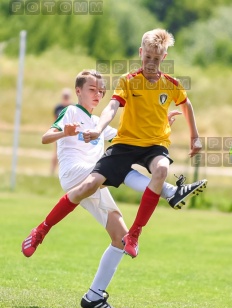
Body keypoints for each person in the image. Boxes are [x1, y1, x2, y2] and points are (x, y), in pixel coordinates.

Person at [34, 69, 204, 308]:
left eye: (101, 90)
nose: (97, 94)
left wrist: (161, 124)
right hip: (74, 174)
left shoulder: (98, 123)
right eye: (92, 89)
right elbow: (45, 137)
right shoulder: (70, 111)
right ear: (78, 91)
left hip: (92, 180)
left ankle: (94, 296)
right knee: (116, 167)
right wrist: (65, 132)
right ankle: (168, 191)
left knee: (120, 238)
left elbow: (129, 138)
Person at [22, 29, 204, 251]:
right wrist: (94, 129)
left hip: (154, 145)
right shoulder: (125, 83)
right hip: (113, 153)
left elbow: (185, 105)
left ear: (164, 58)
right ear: (141, 53)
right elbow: (112, 107)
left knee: (124, 230)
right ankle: (41, 230)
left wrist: (191, 135)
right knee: (102, 180)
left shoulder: (171, 84)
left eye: (156, 59)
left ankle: (134, 235)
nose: (151, 63)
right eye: (147, 57)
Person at [51, 88, 71, 175]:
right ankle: (52, 170)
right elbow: (55, 120)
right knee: (56, 151)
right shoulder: (58, 107)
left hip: (69, 132)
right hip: (59, 132)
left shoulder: (71, 107)